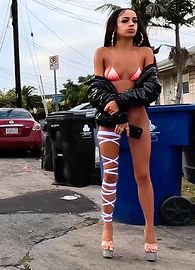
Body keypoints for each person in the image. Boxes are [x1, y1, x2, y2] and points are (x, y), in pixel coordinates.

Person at [87, 8, 161, 261]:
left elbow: (152, 87)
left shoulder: (145, 53)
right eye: (125, 20)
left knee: (143, 174)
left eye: (135, 21)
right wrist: (118, 115)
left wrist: (121, 102)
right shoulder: (102, 53)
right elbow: (96, 90)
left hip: (138, 119)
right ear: (114, 25)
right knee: (110, 175)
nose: (131, 24)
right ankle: (107, 227)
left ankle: (150, 232)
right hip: (110, 122)